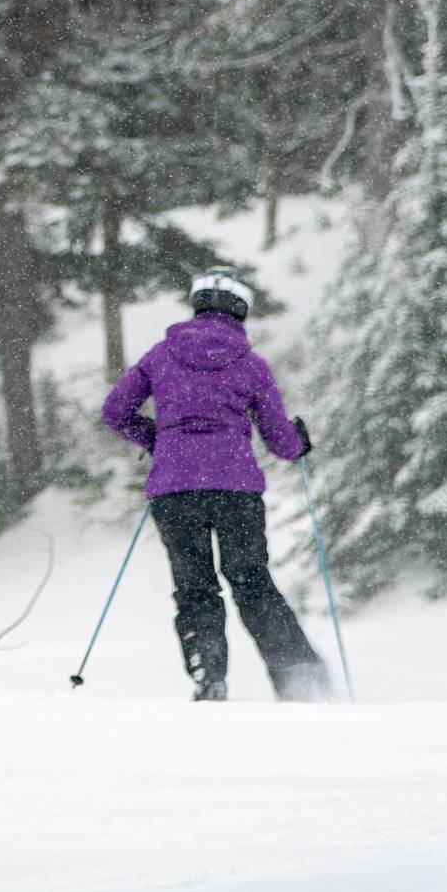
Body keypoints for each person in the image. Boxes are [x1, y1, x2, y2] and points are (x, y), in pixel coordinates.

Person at [101, 268, 330, 702]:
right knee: (251, 580)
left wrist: (161, 441)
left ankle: (209, 676)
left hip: (175, 489)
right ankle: (299, 677)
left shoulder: (160, 356)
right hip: (235, 490)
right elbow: (281, 442)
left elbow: (115, 411)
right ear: (242, 310)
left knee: (194, 586)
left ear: (196, 304)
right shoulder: (250, 365)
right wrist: (300, 441)